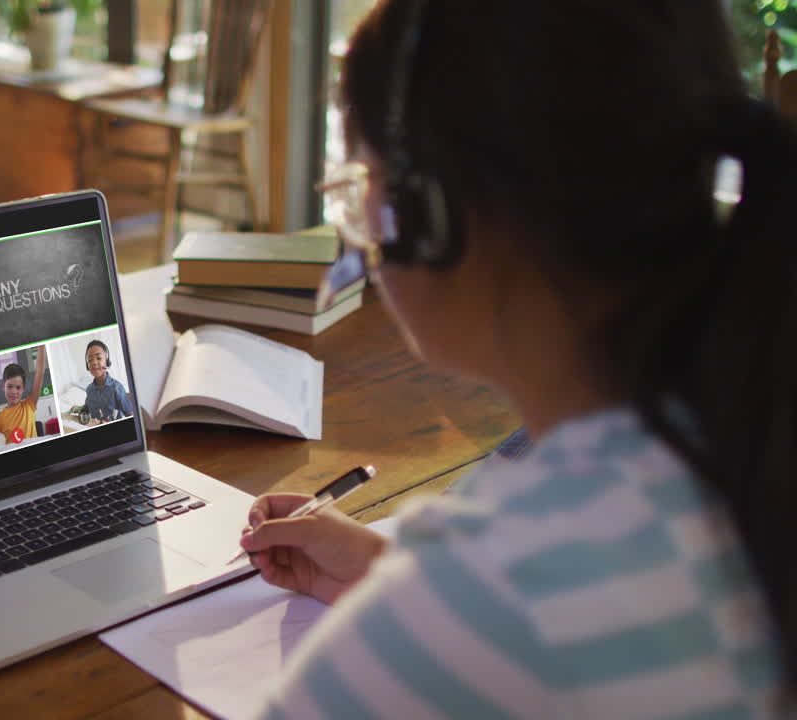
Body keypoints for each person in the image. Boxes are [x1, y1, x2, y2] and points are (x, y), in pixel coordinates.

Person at [237, 1, 793, 716]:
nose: (363, 237)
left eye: (359, 187)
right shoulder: (743, 439)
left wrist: (434, 613)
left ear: (433, 211)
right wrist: (397, 580)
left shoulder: (494, 591)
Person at [0, 345, 47, 444]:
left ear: (23, 389)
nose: (14, 392)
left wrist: (41, 347)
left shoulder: (29, 404)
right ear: (3, 386)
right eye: (9, 386)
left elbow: (40, 373)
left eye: (18, 387)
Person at [82, 340, 132, 423]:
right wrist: (79, 409)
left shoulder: (117, 388)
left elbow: (130, 415)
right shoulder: (89, 389)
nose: (94, 362)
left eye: (99, 358)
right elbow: (87, 407)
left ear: (107, 361)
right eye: (90, 360)